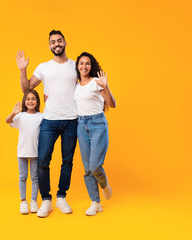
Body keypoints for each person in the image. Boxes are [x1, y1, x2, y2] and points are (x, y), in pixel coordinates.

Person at [15, 30, 78, 217]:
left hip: (71, 119)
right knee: (43, 161)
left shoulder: (75, 66)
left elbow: (85, 85)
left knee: (67, 161)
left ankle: (61, 197)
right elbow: (26, 88)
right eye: (52, 42)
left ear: (65, 43)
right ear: (49, 46)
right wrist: (22, 70)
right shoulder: (43, 67)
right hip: (49, 120)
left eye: (59, 41)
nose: (56, 44)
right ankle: (46, 201)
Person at [74, 52, 116, 216]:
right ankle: (95, 202)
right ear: (77, 66)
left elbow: (112, 104)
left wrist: (106, 86)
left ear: (91, 66)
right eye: (81, 63)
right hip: (81, 125)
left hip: (97, 124)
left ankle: (104, 185)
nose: (84, 66)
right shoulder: (76, 86)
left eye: (87, 64)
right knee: (87, 169)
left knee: (94, 165)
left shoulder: (97, 82)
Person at [6, 89, 43, 214]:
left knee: (35, 177)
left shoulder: (40, 116)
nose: (30, 101)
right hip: (22, 152)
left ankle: (33, 201)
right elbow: (8, 121)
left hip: (35, 152)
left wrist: (48, 104)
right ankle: (23, 201)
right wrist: (13, 113)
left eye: (33, 99)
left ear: (37, 101)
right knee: (22, 177)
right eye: (28, 99)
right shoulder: (20, 116)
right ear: (24, 101)